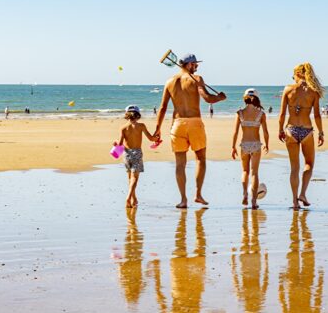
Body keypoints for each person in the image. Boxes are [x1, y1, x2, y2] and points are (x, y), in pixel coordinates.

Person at [154, 53, 227, 209]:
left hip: (177, 124)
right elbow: (207, 98)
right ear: (188, 64)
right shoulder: (197, 79)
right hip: (194, 123)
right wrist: (220, 98)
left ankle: (183, 200)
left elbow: (162, 108)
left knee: (180, 164)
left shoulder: (169, 82)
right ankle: (198, 194)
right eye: (195, 64)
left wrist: (157, 129)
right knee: (200, 158)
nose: (197, 67)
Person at [278, 63, 325, 210]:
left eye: (294, 74)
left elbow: (281, 114)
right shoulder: (314, 92)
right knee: (309, 164)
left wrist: (280, 130)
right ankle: (303, 193)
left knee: (294, 168)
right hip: (306, 131)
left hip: (291, 130)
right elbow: (317, 115)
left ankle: (294, 202)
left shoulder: (288, 89)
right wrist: (321, 132)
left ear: (298, 74)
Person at [231, 88, 270, 210]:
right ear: (257, 99)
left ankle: (244, 194)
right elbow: (266, 132)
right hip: (256, 145)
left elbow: (235, 132)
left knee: (245, 171)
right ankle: (253, 201)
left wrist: (233, 147)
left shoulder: (240, 113)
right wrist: (267, 144)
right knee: (254, 173)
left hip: (244, 145)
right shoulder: (261, 114)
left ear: (245, 98)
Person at [114, 105, 159, 208]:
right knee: (135, 178)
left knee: (130, 177)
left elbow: (120, 144)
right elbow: (151, 139)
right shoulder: (141, 126)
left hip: (126, 153)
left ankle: (134, 199)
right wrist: (156, 138)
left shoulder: (123, 128)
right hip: (137, 153)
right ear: (138, 115)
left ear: (126, 115)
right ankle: (128, 198)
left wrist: (115, 143)